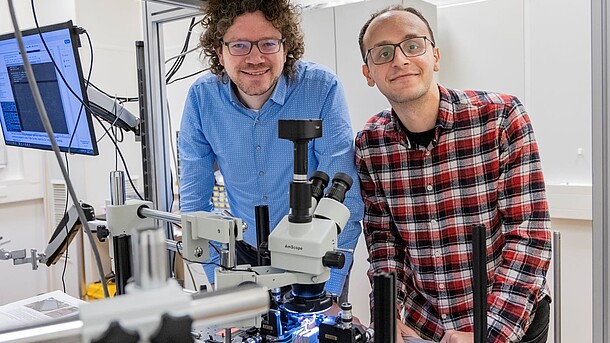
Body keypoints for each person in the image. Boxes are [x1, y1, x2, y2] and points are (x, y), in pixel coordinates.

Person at [354, 5, 552, 343]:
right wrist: (386, 313)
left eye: (412, 45)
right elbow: (384, 242)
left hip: (508, 320)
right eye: (383, 53)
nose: (400, 60)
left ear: (435, 56)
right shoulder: (370, 144)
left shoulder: (501, 118)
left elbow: (529, 236)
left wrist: (486, 335)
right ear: (368, 73)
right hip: (425, 326)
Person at [178, 0, 363, 304]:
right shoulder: (202, 99)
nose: (255, 58)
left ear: (285, 46)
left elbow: (345, 196)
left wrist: (328, 292)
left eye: (267, 43)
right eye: (239, 45)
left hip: (315, 259)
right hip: (241, 256)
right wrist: (216, 277)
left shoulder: (320, 88)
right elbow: (195, 201)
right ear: (218, 50)